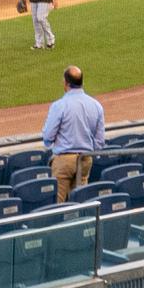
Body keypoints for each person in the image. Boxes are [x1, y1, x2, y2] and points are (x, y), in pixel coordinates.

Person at [42, 64, 106, 202]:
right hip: (85, 158)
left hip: (64, 160)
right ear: (82, 82)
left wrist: (51, 145)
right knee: (79, 201)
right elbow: (100, 141)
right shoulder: (96, 105)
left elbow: (48, 136)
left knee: (57, 203)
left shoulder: (60, 105)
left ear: (66, 83)